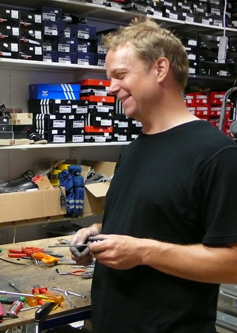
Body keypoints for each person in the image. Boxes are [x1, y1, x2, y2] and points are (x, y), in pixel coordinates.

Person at [69, 17, 237, 332]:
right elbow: (157, 219)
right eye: (109, 78)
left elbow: (233, 264)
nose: (111, 87)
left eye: (120, 75)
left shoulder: (217, 155)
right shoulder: (134, 149)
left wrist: (144, 252)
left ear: (160, 69)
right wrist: (98, 234)